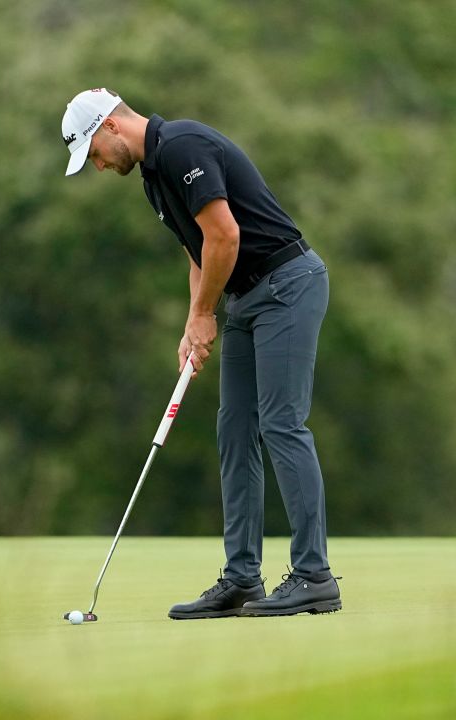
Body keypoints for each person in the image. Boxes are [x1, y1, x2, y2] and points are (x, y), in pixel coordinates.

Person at [61, 88, 341, 618]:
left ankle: (314, 575)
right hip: (245, 298)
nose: (97, 166)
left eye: (93, 152)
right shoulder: (152, 178)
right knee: (234, 428)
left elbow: (226, 236)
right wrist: (194, 322)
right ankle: (242, 578)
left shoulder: (183, 147)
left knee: (281, 423)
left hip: (288, 285)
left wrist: (203, 314)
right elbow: (199, 252)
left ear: (111, 127)